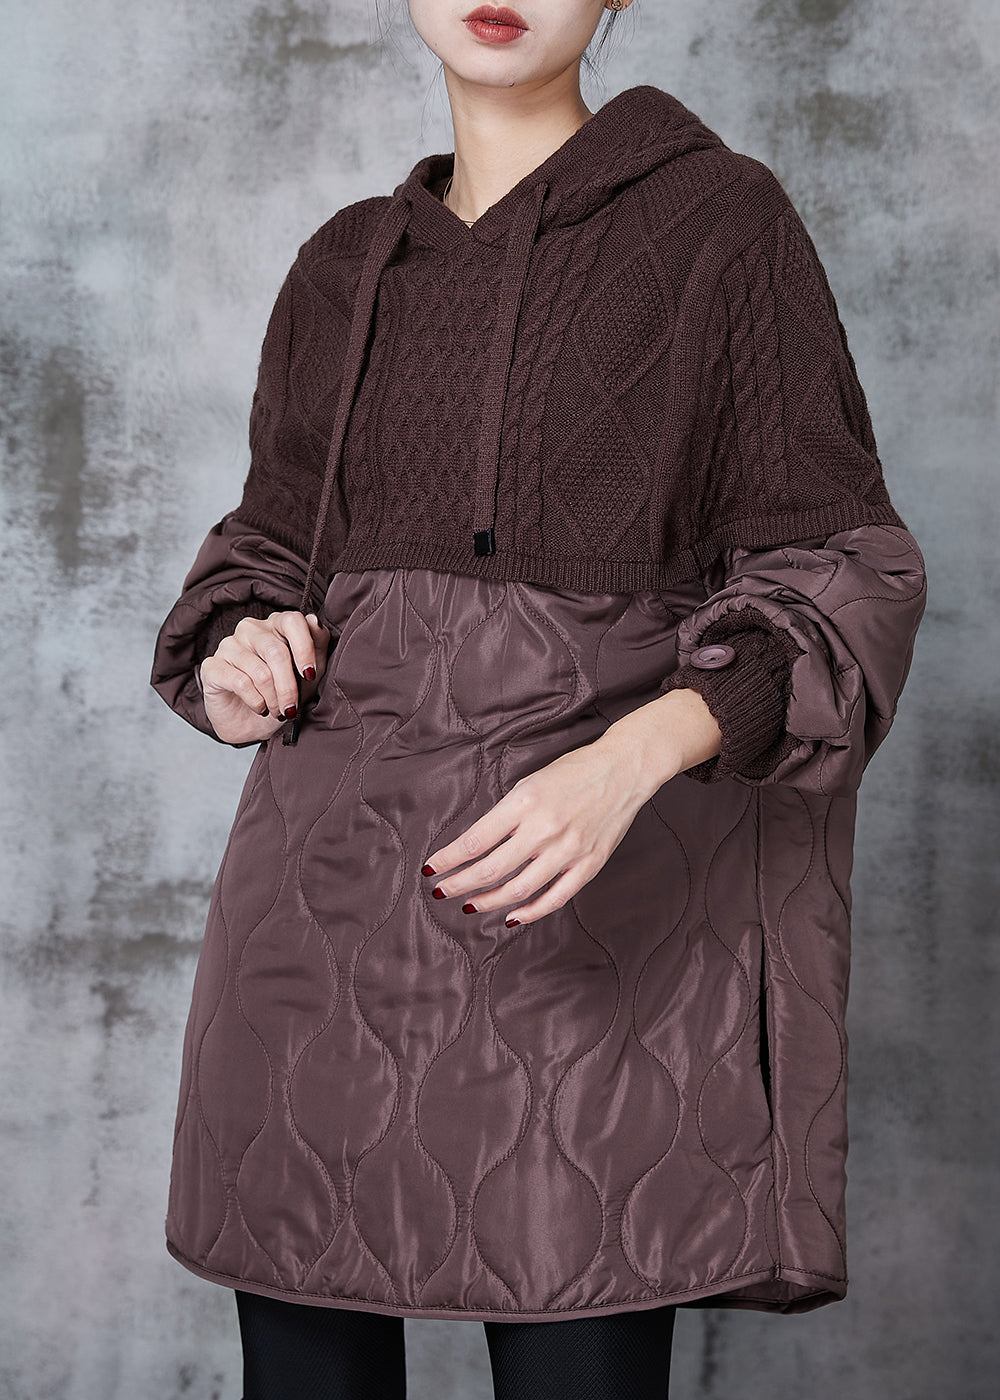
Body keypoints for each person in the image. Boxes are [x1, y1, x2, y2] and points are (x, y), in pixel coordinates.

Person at [150, 2, 927, 1396]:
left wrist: (633, 755)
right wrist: (239, 651)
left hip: (595, 931)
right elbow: (271, 548)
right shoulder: (340, 266)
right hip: (315, 935)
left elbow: (842, 567)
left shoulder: (722, 226)